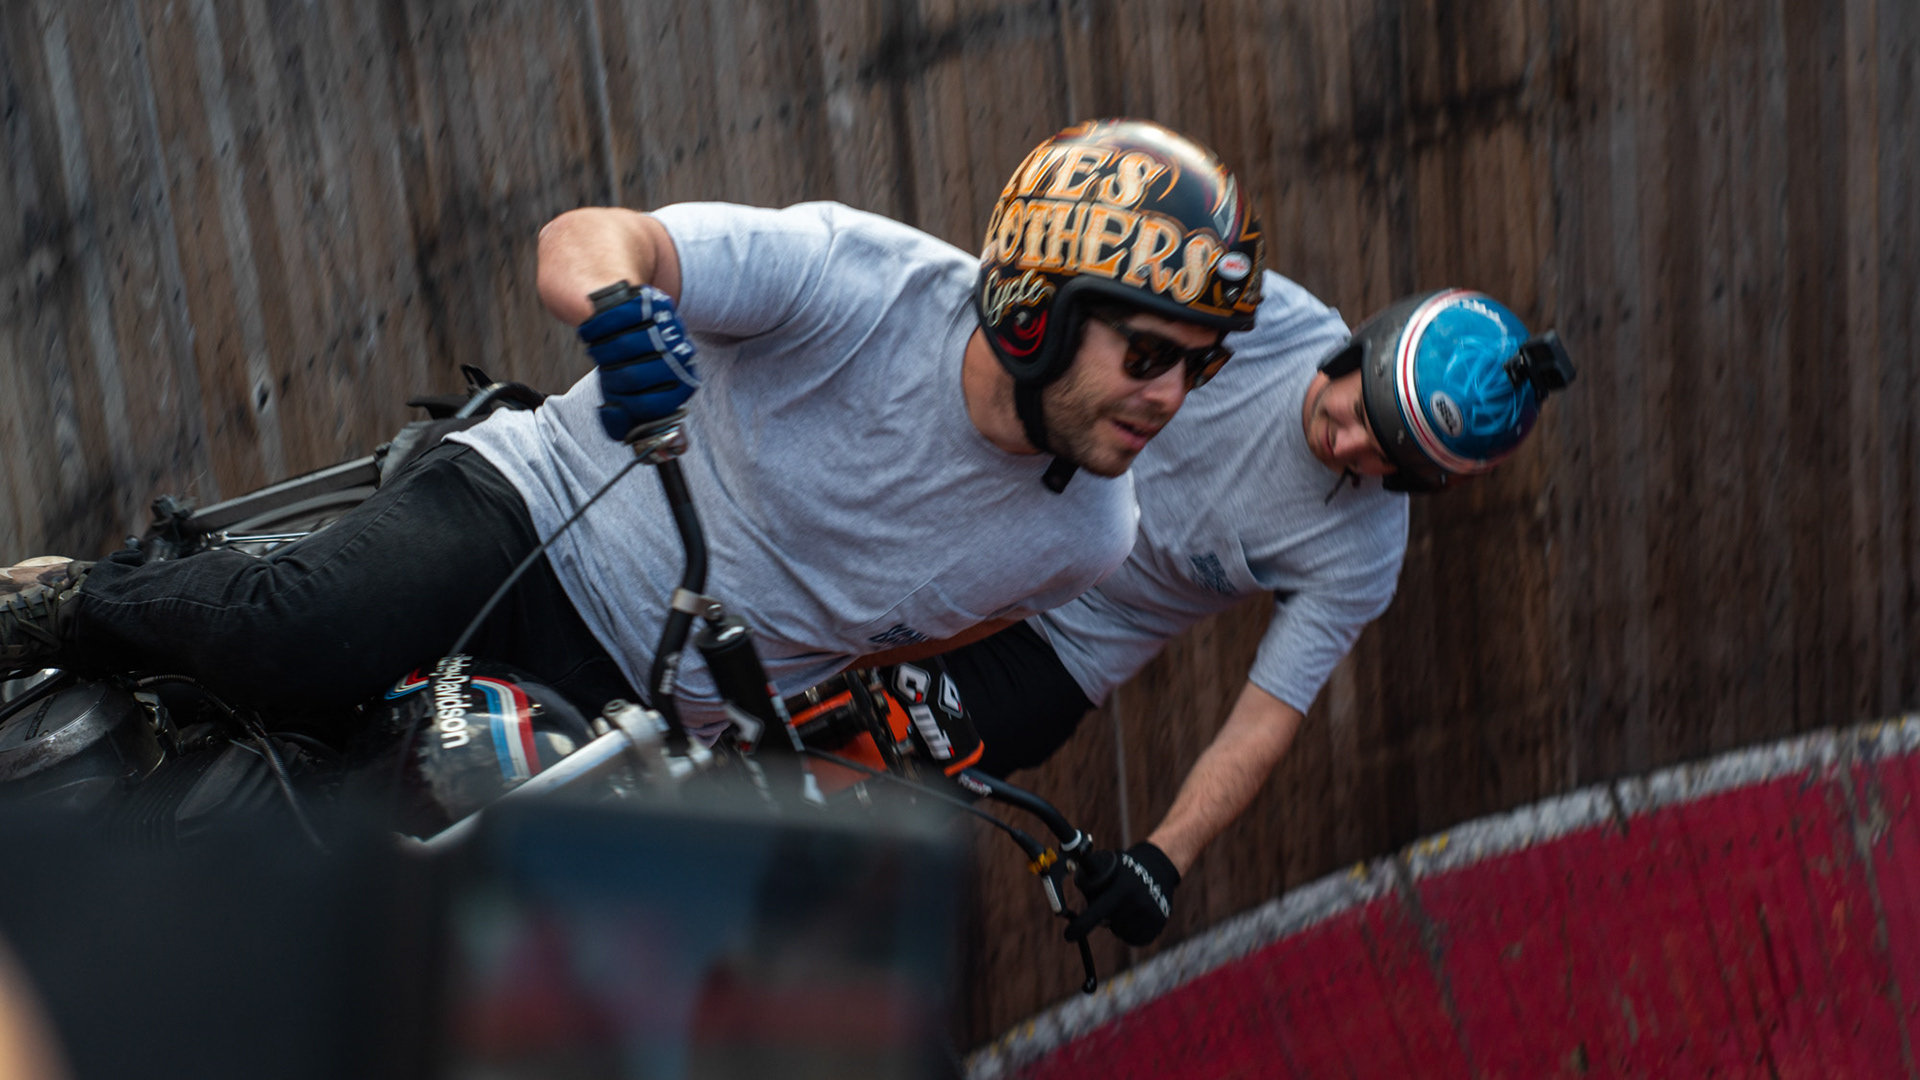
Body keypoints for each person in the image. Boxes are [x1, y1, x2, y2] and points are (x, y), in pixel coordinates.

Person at [0, 119, 1265, 741]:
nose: (1170, 397)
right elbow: (598, 238)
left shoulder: (1093, 535)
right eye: (1149, 355)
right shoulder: (859, 281)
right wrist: (619, 314)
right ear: (1038, 312)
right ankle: (70, 604)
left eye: (1199, 369)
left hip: (651, 713)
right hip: (533, 518)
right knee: (296, 638)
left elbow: (912, 630)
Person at [939, 284, 1576, 947]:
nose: (1347, 443)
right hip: (998, 528)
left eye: (1381, 457)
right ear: (1360, 349)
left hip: (1059, 648)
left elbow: (1267, 715)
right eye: (1360, 410)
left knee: (898, 790)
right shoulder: (1259, 314)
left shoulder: (1364, 554)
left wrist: (1165, 857)